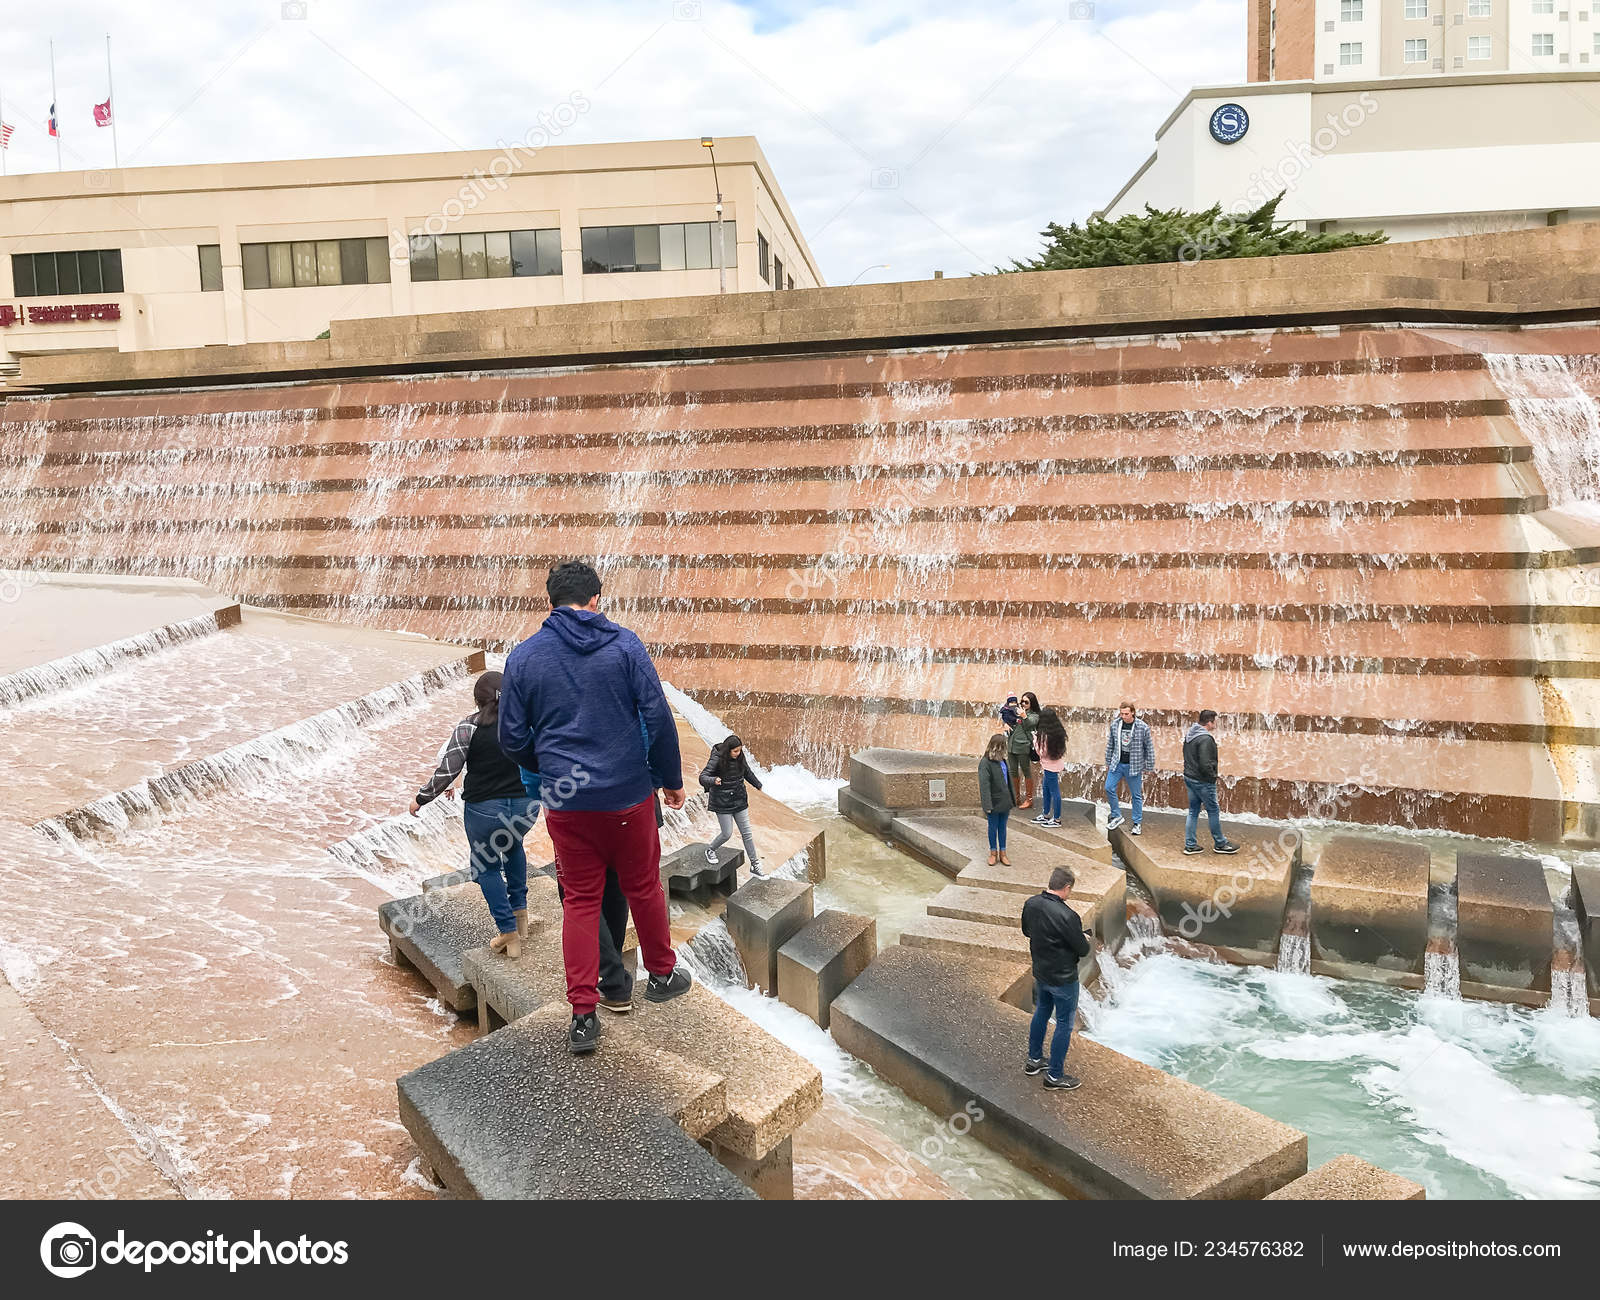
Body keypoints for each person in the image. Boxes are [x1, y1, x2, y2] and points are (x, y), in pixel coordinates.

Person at [499, 560, 692, 1055]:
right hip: (628, 795)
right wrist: (670, 780)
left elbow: (512, 738)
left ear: (550, 603)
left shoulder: (524, 657)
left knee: (581, 901)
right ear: (596, 600)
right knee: (643, 885)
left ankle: (584, 1015)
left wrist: (548, 766)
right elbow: (658, 716)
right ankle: (663, 975)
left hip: (567, 802)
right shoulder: (625, 645)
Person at [410, 670, 539, 960]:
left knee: (485, 868)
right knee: (514, 845)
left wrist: (421, 799)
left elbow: (448, 769)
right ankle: (520, 916)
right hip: (526, 808)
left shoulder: (468, 728)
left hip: (485, 811)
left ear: (478, 700)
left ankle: (508, 932)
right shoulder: (528, 724)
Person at [1020, 866, 1091, 1091]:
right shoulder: (1069, 916)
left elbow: (1027, 932)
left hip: (1041, 971)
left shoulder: (1031, 903)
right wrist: (1083, 938)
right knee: (1064, 1023)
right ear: (1067, 887)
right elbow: (1082, 950)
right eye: (1070, 890)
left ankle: (1034, 1060)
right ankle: (1055, 1076)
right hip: (1063, 979)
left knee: (1041, 1011)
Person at [699, 733, 764, 877]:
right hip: (722, 802)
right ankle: (710, 850)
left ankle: (755, 864)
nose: (738, 753)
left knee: (747, 834)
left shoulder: (740, 757)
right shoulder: (717, 758)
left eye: (739, 750)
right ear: (728, 750)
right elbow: (703, 777)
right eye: (735, 751)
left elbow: (747, 772)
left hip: (739, 799)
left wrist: (757, 784)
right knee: (727, 833)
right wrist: (713, 780)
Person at [1182, 708, 1240, 856]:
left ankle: (1190, 845)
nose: (1215, 724)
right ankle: (1220, 843)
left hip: (1189, 778)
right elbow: (1205, 764)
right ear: (1209, 722)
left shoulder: (1190, 735)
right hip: (1203, 781)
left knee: (1193, 811)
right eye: (1215, 722)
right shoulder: (1205, 739)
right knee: (1213, 810)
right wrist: (1212, 777)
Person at [1103, 701, 1155, 835]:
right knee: (1108, 787)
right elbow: (1110, 744)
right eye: (1121, 713)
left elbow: (1149, 747)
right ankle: (1117, 815)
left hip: (1134, 765)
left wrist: (1149, 765)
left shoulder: (1142, 727)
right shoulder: (1115, 724)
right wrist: (1108, 761)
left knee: (1136, 795)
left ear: (1132, 712)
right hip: (1117, 763)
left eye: (1126, 713)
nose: (1124, 716)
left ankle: (1137, 823)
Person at [978, 733, 1014, 867]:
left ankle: (1003, 854)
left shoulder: (1003, 760)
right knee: (993, 827)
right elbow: (984, 785)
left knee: (1002, 827)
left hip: (1005, 801)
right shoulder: (985, 762)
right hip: (993, 803)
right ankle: (993, 853)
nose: (1004, 749)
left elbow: (1008, 782)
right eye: (1002, 746)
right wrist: (987, 805)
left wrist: (1012, 799)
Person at [1032, 707, 1068, 827]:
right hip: (1053, 765)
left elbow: (1041, 753)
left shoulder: (1044, 736)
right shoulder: (1058, 732)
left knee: (1054, 792)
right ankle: (1046, 814)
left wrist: (1034, 740)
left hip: (1050, 767)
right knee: (1046, 790)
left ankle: (1057, 819)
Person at [1007, 691, 1041, 809]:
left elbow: (1030, 725)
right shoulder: (1017, 712)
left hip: (1023, 747)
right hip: (1011, 745)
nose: (1023, 703)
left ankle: (1029, 799)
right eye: (1022, 701)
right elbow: (1011, 722)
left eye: (1026, 702)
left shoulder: (1034, 715)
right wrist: (1007, 726)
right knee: (1013, 771)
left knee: (1026, 771)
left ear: (1032, 703)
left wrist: (1024, 716)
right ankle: (1015, 797)